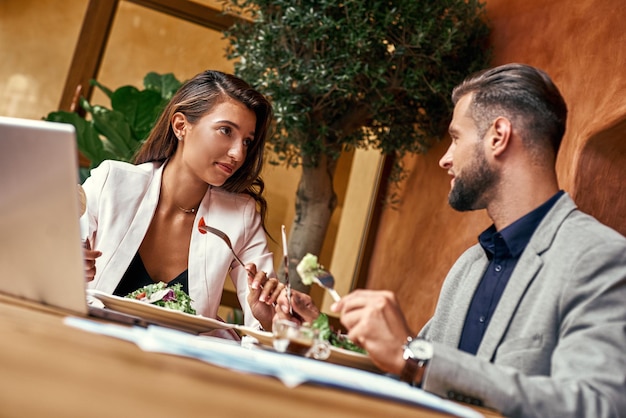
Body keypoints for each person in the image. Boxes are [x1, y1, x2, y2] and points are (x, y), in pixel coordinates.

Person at [275, 63, 626, 417]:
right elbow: (408, 366)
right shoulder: (467, 267)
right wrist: (318, 331)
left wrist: (418, 359)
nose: (445, 158)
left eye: (456, 137)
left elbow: (598, 406)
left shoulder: (600, 257)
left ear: (498, 136)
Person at [82, 70, 283, 331]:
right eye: (225, 131)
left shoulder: (240, 216)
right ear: (180, 126)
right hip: (91, 344)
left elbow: (265, 317)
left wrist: (268, 318)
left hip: (179, 364)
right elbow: (53, 258)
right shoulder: (113, 182)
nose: (238, 153)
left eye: (247, 141)